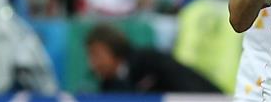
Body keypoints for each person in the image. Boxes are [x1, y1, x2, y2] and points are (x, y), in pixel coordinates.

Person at [86, 24, 218, 94]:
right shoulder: (108, 87)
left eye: (96, 54)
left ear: (114, 48)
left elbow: (185, 81)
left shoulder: (149, 62)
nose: (93, 63)